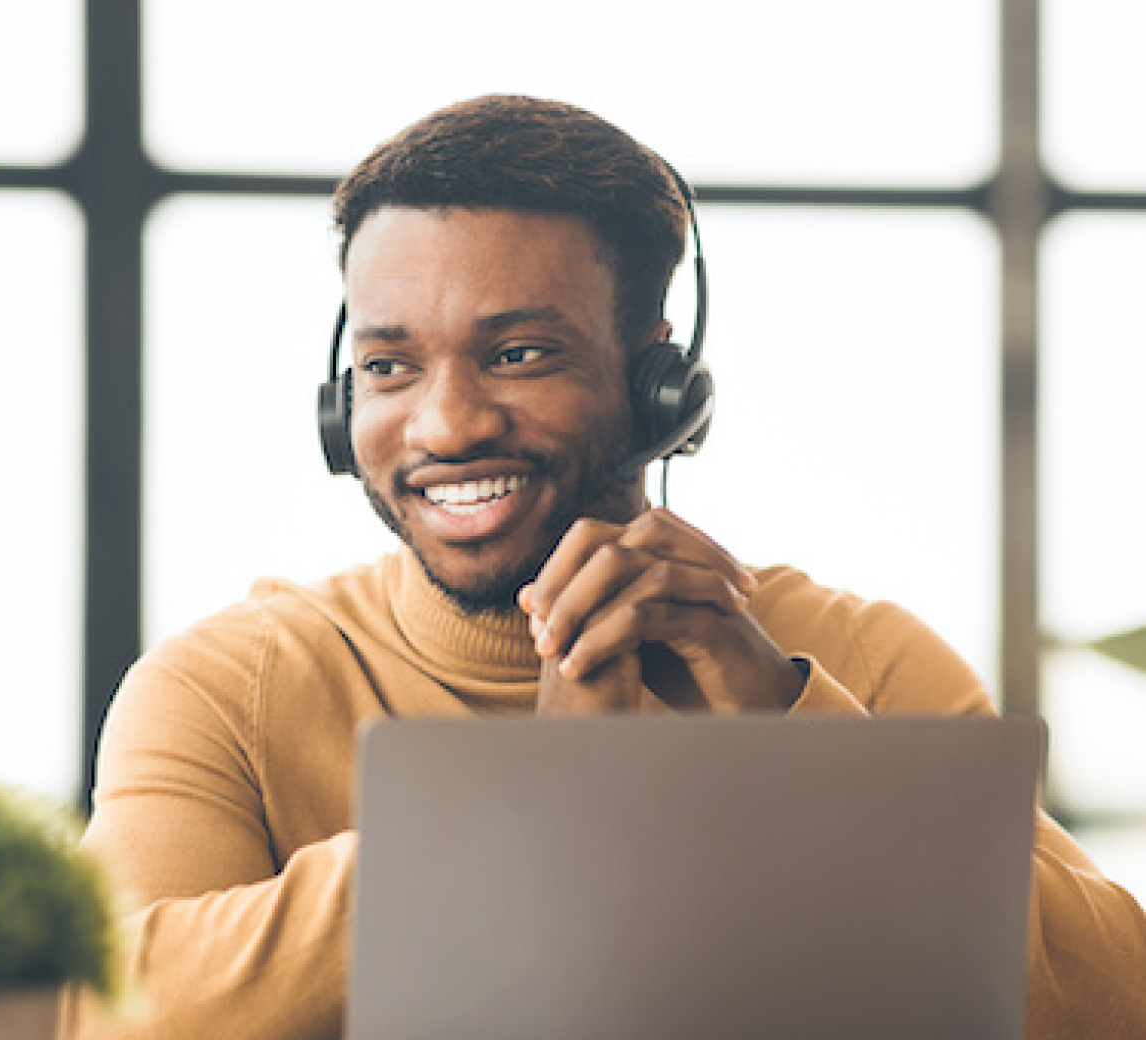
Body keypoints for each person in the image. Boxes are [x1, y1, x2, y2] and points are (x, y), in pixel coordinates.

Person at [64, 95, 1146, 1039]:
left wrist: (780, 721)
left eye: (518, 353)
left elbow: (1115, 1005)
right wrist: (538, 797)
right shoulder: (228, 685)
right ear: (342, 409)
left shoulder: (857, 658)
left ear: (660, 383)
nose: (443, 424)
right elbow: (114, 1014)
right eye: (387, 366)